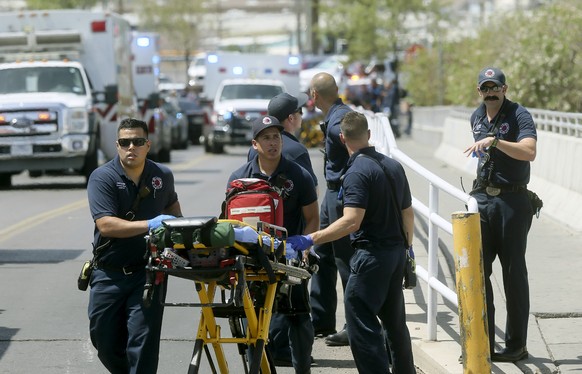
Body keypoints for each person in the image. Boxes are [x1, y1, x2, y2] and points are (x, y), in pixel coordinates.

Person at [287, 111, 416, 374]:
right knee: (395, 324)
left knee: (360, 317)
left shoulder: (357, 171)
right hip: (396, 254)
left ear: (342, 138)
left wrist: (310, 238)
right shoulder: (393, 166)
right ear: (369, 135)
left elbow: (351, 222)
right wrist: (408, 250)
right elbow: (408, 213)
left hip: (372, 256)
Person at [87, 118, 182, 373]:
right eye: (125, 142)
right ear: (117, 146)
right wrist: (151, 224)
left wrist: (177, 233)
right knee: (104, 341)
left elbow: (172, 207)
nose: (132, 147)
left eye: (138, 142)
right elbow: (106, 225)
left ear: (148, 145)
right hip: (109, 273)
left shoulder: (162, 175)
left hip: (148, 273)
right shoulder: (102, 177)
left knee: (143, 343)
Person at [227, 115, 319, 374]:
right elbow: (229, 223)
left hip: (290, 258)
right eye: (266, 138)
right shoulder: (239, 179)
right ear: (255, 144)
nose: (272, 143)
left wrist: (304, 248)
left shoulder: (298, 175)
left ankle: (303, 369)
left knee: (299, 319)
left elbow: (313, 218)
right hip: (253, 260)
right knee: (255, 323)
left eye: (276, 137)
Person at [463, 67, 537, 362]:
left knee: (513, 274)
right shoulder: (476, 116)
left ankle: (516, 345)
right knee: (479, 273)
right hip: (483, 199)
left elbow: (529, 151)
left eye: (495, 88)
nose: (490, 93)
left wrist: (495, 141)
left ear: (505, 89)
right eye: (485, 88)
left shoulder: (519, 115)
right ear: (478, 90)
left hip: (513, 202)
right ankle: (484, 342)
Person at [308, 72, 353, 346]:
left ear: (314, 95)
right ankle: (322, 319)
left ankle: (353, 324)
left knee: (346, 261)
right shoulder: (336, 114)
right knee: (322, 255)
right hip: (331, 195)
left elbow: (352, 145)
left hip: (342, 196)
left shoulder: (340, 120)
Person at [248, 92, 318, 188]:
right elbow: (312, 190)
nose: (302, 115)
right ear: (291, 118)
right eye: (300, 111)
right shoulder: (298, 150)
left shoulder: (254, 148)